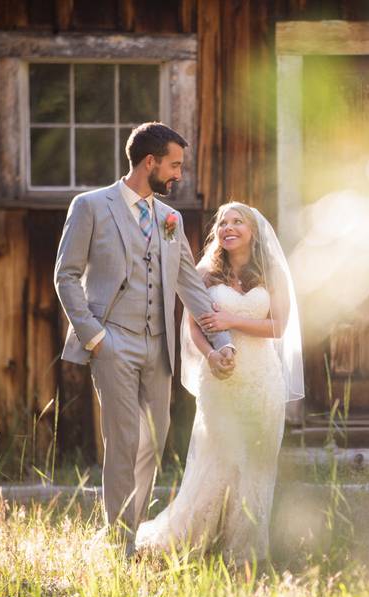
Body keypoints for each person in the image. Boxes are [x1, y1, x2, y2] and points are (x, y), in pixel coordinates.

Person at [54, 123, 236, 558]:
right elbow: (66, 276)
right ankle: (120, 542)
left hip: (160, 348)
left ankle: (129, 529)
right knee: (122, 440)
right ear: (150, 162)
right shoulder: (91, 206)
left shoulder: (169, 218)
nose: (179, 174)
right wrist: (95, 336)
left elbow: (191, 286)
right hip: (112, 340)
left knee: (154, 441)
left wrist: (222, 339)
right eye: (174, 165)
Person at [135, 202, 303, 563]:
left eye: (237, 221)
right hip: (220, 379)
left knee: (255, 465)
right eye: (223, 222)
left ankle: (243, 549)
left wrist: (230, 319)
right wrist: (210, 356)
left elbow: (278, 326)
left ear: (253, 232)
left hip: (261, 379)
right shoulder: (204, 273)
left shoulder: (271, 271)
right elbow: (194, 327)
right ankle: (190, 542)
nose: (228, 227)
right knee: (216, 460)